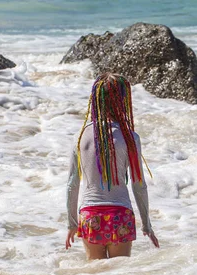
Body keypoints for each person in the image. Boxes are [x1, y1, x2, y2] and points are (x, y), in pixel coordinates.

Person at [65, 73, 159, 259]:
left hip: (90, 214)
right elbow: (139, 184)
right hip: (120, 215)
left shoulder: (80, 136)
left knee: (96, 274)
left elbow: (72, 184)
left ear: (96, 100)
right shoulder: (130, 138)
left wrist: (72, 223)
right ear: (122, 100)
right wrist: (147, 225)